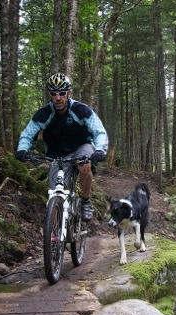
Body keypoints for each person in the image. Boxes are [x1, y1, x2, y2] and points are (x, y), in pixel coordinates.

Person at [15, 73, 108, 221]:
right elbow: (27, 134)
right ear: (50, 95)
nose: (58, 98)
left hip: (81, 147)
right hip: (56, 155)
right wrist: (22, 149)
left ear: (68, 93)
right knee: (54, 192)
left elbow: (99, 131)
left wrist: (100, 150)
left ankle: (85, 201)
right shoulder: (44, 114)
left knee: (85, 165)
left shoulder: (81, 110)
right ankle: (56, 234)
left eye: (62, 93)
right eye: (54, 94)